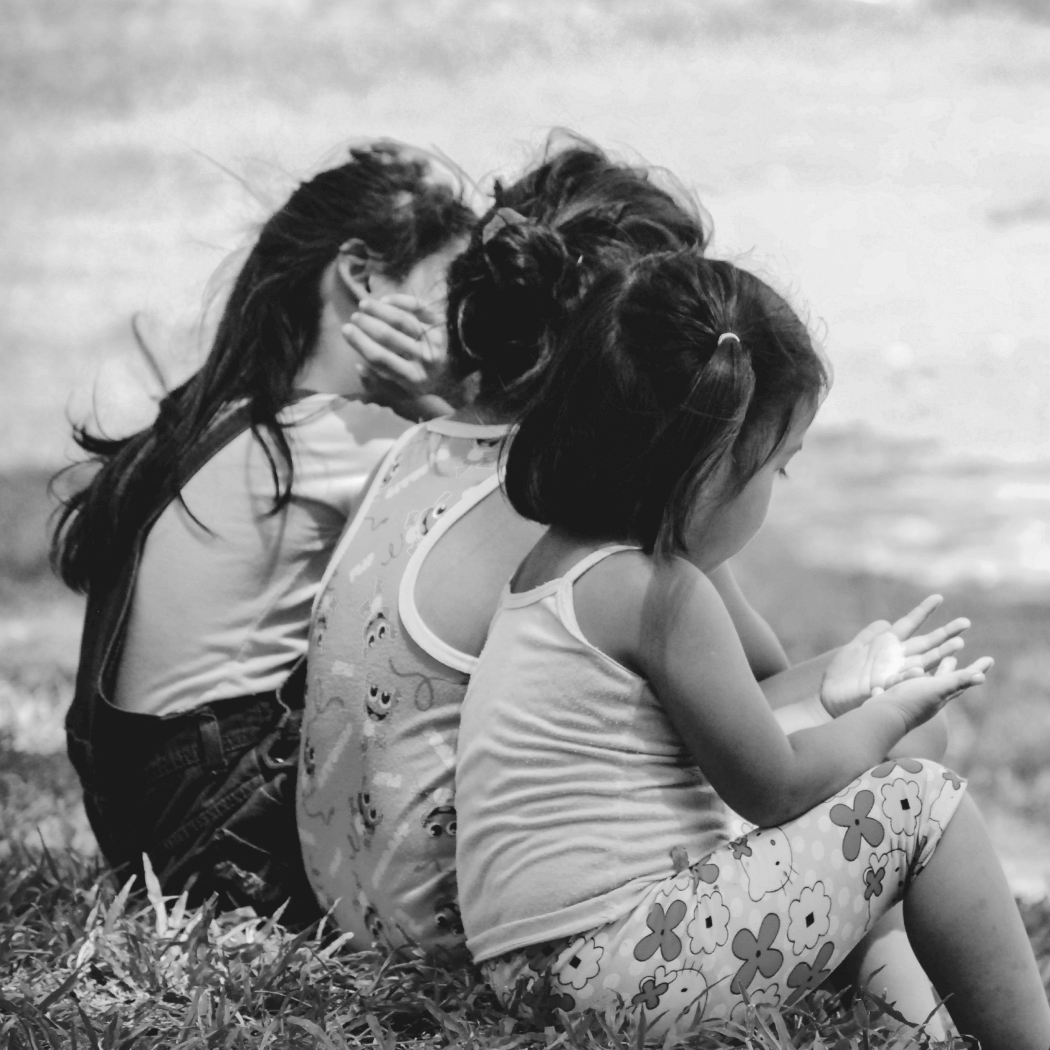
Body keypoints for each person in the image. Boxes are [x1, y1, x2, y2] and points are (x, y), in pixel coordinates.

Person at [455, 249, 1050, 1047]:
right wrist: (887, 718)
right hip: (622, 970)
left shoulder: (560, 566)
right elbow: (773, 787)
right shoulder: (661, 592)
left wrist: (839, 690)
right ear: (707, 468)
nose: (778, 487)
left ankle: (919, 1034)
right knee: (920, 802)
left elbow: (722, 733)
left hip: (544, 975)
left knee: (880, 791)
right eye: (780, 466)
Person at [297, 137, 746, 953]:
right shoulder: (570, 512)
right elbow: (762, 695)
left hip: (351, 908)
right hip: (476, 936)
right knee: (853, 777)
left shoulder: (416, 445)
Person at [51, 142, 475, 927]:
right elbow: (514, 522)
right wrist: (433, 402)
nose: (460, 324)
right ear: (362, 275)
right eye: (448, 288)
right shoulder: (341, 438)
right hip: (224, 840)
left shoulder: (225, 415)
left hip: (147, 825)